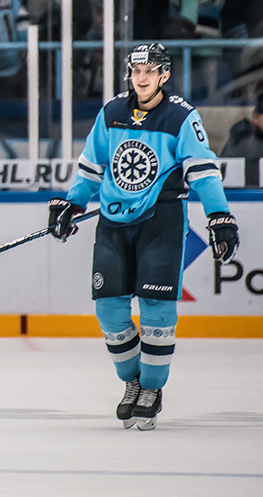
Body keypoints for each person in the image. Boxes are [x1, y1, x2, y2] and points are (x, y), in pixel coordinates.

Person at [48, 43, 239, 431]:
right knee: (109, 310)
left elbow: (203, 169)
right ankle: (133, 382)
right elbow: (90, 167)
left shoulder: (181, 116)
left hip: (161, 221)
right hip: (113, 224)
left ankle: (151, 388)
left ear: (164, 75)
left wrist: (219, 215)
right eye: (136, 71)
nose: (142, 77)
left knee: (156, 308)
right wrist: (71, 204)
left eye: (150, 71)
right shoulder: (112, 112)